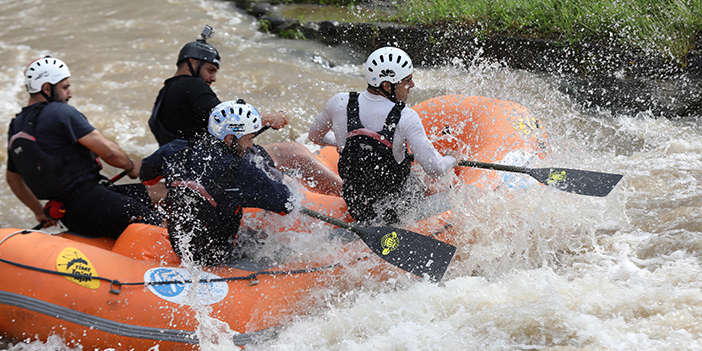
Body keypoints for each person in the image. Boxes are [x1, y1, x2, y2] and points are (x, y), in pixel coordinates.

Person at [148, 25, 342, 197]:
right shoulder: (193, 85)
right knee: (293, 152)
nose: (213, 78)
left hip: (193, 168)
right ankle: (350, 196)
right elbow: (225, 120)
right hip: (216, 168)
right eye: (210, 69)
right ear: (192, 62)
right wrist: (267, 118)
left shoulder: (164, 94)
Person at [6, 56, 163, 238]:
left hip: (73, 211)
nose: (69, 94)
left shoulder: (16, 126)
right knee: (161, 228)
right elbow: (109, 153)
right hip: (93, 204)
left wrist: (39, 212)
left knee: (165, 193)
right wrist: (131, 166)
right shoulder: (59, 112)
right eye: (65, 87)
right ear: (47, 88)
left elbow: (13, 180)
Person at [308, 47, 457, 223]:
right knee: (430, 184)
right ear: (387, 86)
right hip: (399, 206)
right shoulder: (406, 116)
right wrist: (452, 158)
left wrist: (340, 142)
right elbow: (436, 169)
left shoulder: (339, 102)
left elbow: (314, 137)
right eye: (407, 81)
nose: (412, 85)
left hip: (357, 206)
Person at [140, 99, 294, 266]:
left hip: (180, 245)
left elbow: (147, 176)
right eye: (249, 139)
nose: (251, 145)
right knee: (270, 244)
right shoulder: (244, 170)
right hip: (217, 255)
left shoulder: (177, 149)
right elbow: (286, 204)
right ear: (229, 138)